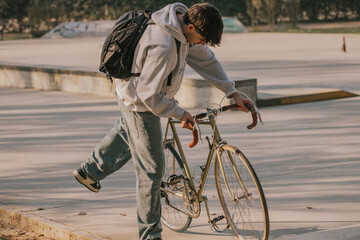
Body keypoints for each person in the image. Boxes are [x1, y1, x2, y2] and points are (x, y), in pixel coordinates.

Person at [72, 2, 252, 240]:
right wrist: (180, 113)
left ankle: (89, 171)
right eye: (202, 38)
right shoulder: (164, 44)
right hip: (138, 101)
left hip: (147, 95)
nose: (203, 43)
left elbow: (207, 60)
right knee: (152, 169)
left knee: (131, 134)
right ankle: (150, 235)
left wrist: (232, 92)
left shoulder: (184, 31)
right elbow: (148, 95)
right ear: (189, 26)